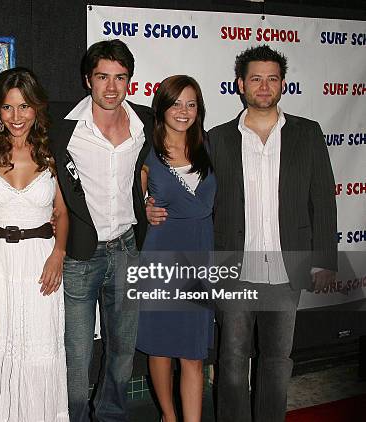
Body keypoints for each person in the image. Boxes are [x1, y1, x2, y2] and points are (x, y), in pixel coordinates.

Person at [147, 45, 337, 422]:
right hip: (232, 267)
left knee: (277, 361)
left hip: (288, 268)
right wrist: (150, 207)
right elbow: (181, 182)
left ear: (282, 84)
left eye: (272, 79)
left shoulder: (308, 133)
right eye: (255, 78)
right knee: (231, 361)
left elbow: (323, 200)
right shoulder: (215, 139)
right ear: (240, 84)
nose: (264, 86)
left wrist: (324, 262)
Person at [47, 39, 155, 422]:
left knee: (123, 348)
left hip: (127, 248)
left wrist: (150, 200)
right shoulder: (62, 128)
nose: (111, 87)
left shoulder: (145, 123)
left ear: (130, 81)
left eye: (120, 78)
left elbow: (152, 169)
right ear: (87, 79)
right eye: (103, 77)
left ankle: (110, 415)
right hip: (80, 254)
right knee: (76, 354)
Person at [0, 67, 69, 421]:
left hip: (41, 262)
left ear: (36, 108)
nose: (16, 116)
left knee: (38, 349)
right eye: (8, 108)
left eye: (24, 107)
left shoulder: (52, 154)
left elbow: (63, 213)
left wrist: (58, 253)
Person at [136, 75, 215, 422]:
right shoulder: (145, 151)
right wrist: (145, 209)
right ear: (161, 108)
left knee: (194, 353)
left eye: (191, 104)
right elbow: (133, 204)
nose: (183, 111)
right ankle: (169, 416)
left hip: (199, 257)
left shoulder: (209, 146)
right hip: (161, 258)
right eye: (176, 103)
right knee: (161, 346)